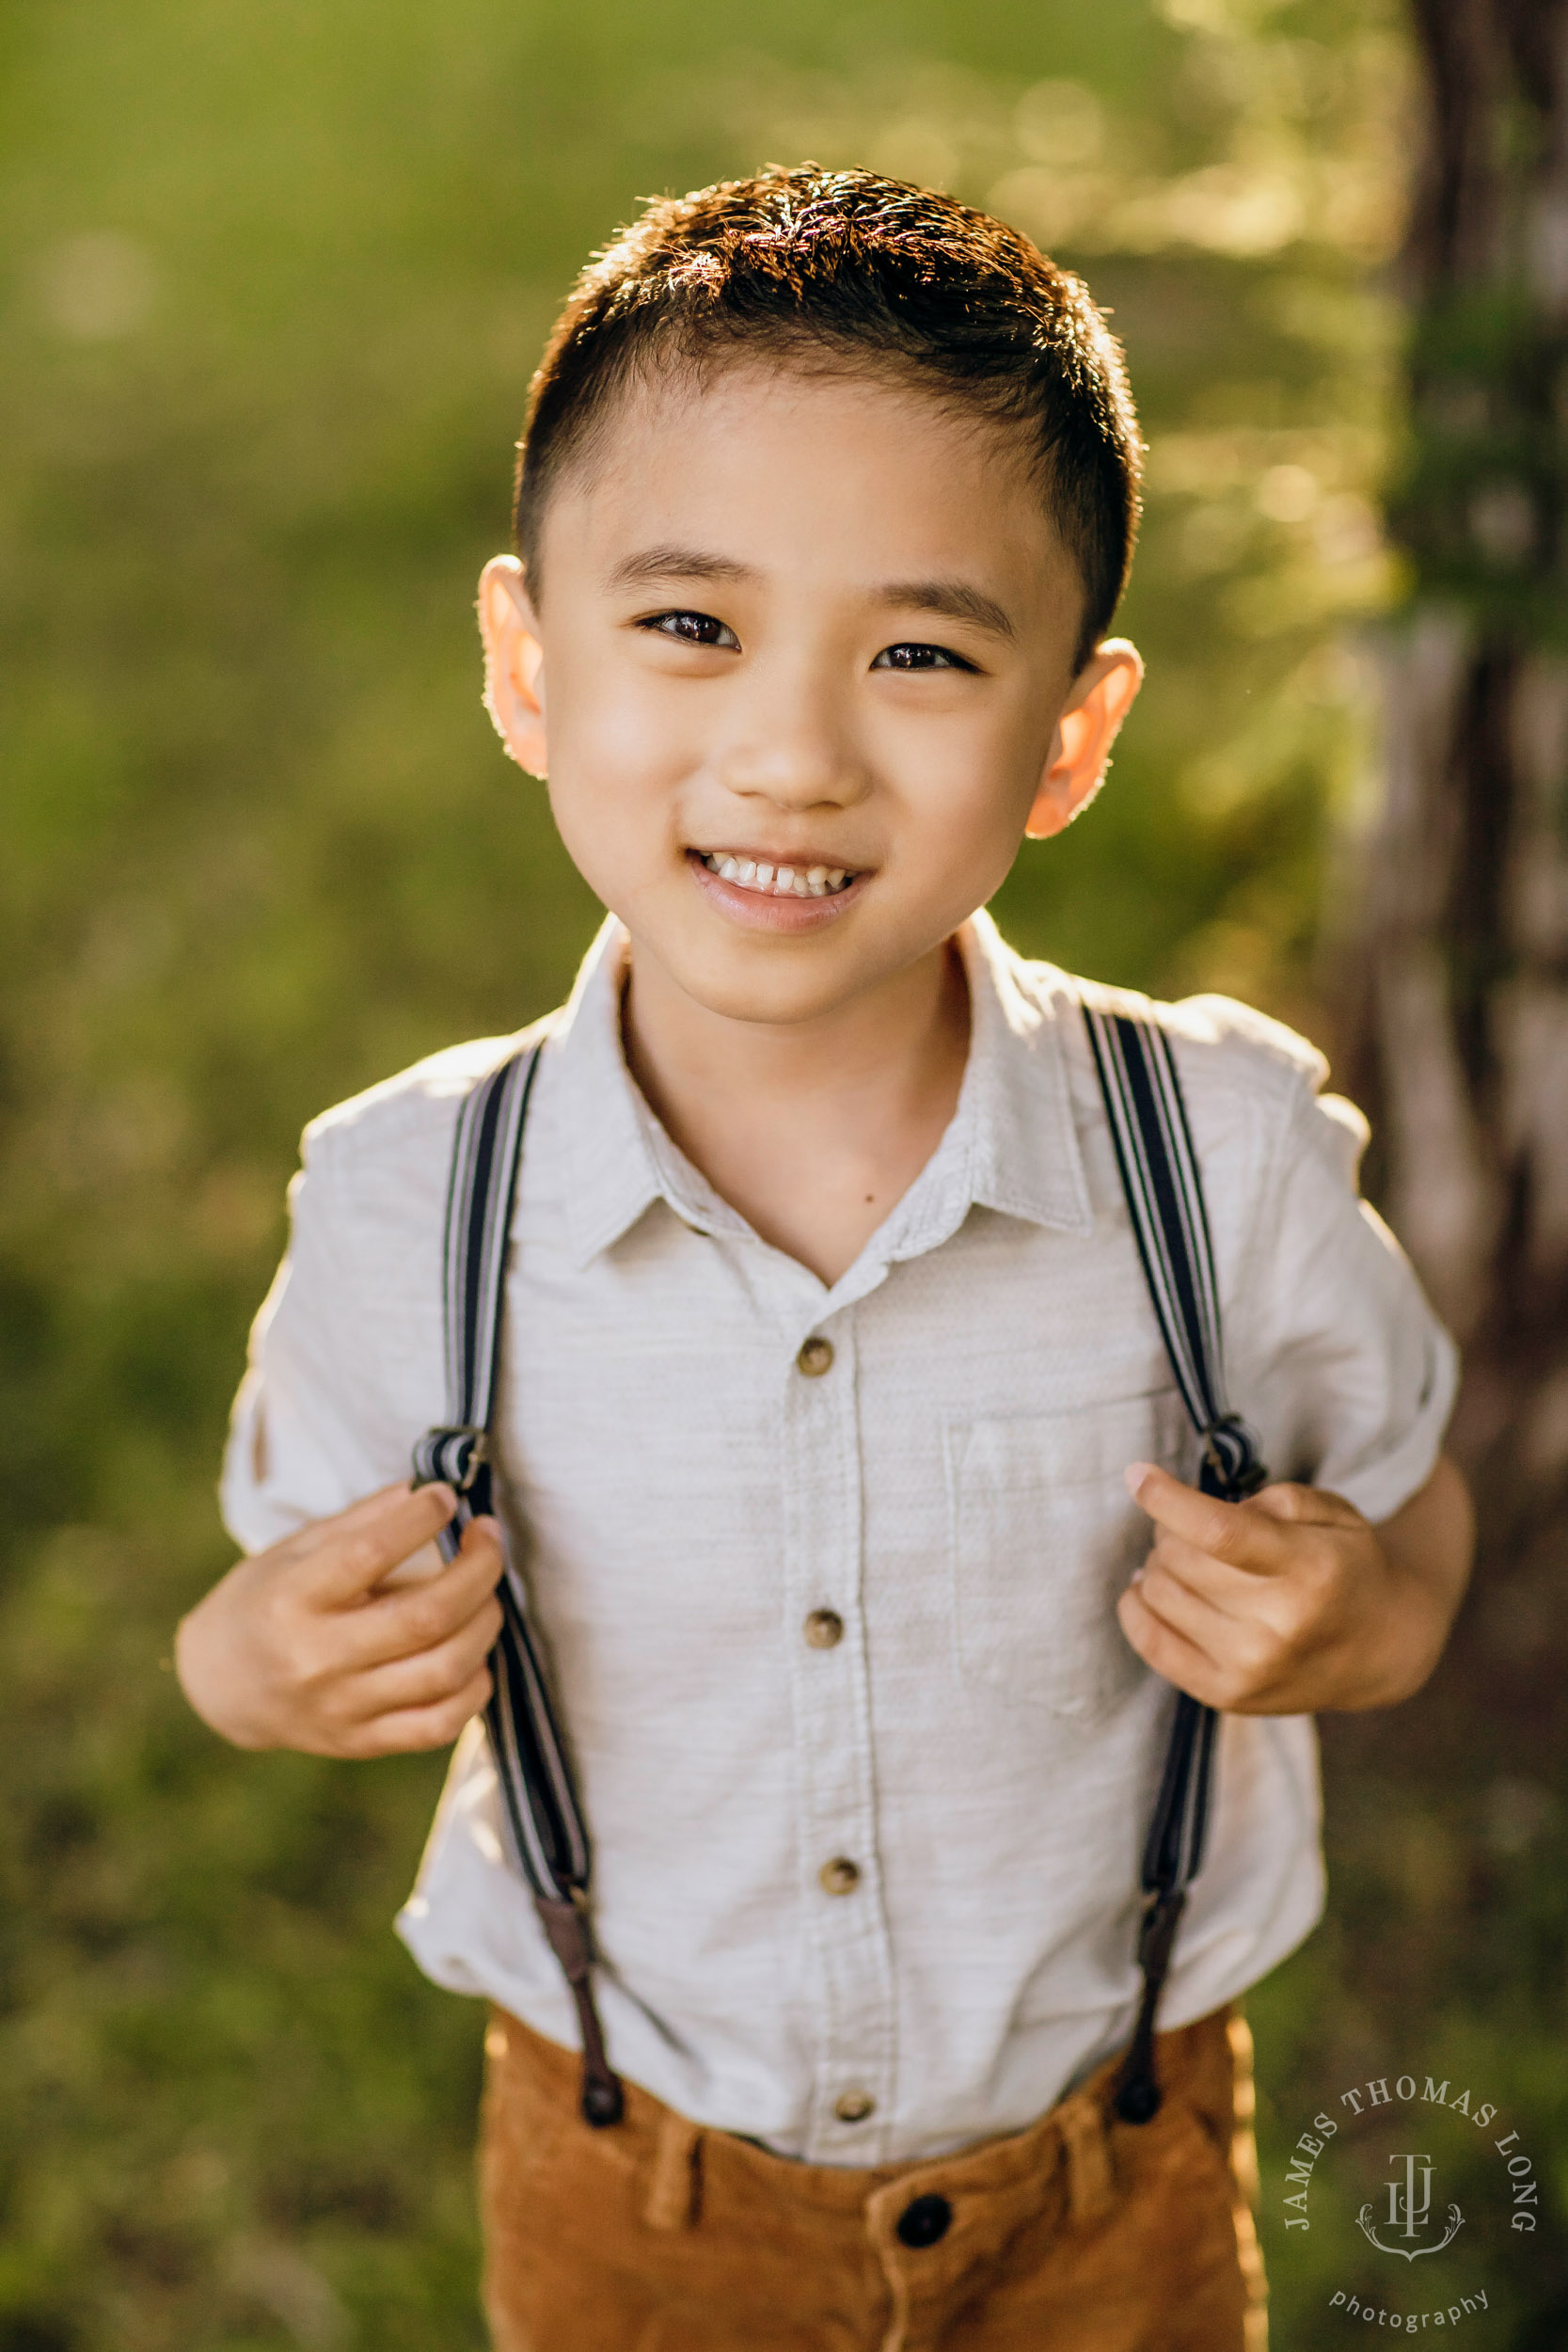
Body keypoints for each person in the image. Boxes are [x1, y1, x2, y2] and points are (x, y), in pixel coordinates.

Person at [175, 167, 1474, 2352]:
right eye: (689, 624)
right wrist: (251, 1667)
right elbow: (268, 1595)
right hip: (630, 2185)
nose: (791, 748)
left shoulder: (1217, 1155)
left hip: (1114, 2176)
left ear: (1071, 730)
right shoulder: (413, 1197)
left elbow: (1414, 1521)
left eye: (920, 651)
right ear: (525, 663)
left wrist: (1360, 1610)